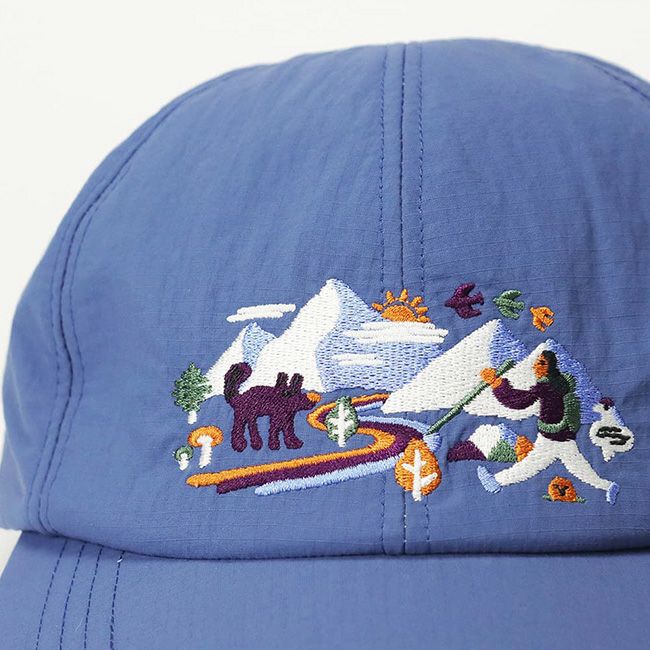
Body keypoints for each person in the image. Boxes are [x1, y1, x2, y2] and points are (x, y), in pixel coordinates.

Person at [477, 350, 619, 504]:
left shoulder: (547, 385)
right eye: (537, 362)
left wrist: (497, 384)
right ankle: (608, 486)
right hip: (562, 436)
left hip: (553, 437)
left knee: (531, 465)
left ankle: (495, 481)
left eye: (541, 363)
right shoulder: (559, 384)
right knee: (577, 468)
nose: (535, 366)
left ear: (550, 367)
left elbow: (519, 401)